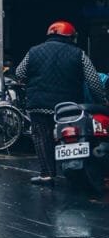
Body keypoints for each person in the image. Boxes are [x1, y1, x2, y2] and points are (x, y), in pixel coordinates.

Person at [16, 20, 105, 185]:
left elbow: (19, 72)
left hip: (39, 105)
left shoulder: (34, 51)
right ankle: (77, 169)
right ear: (70, 37)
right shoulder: (79, 54)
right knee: (75, 135)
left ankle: (47, 175)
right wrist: (102, 102)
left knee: (42, 138)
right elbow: (94, 82)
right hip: (68, 108)